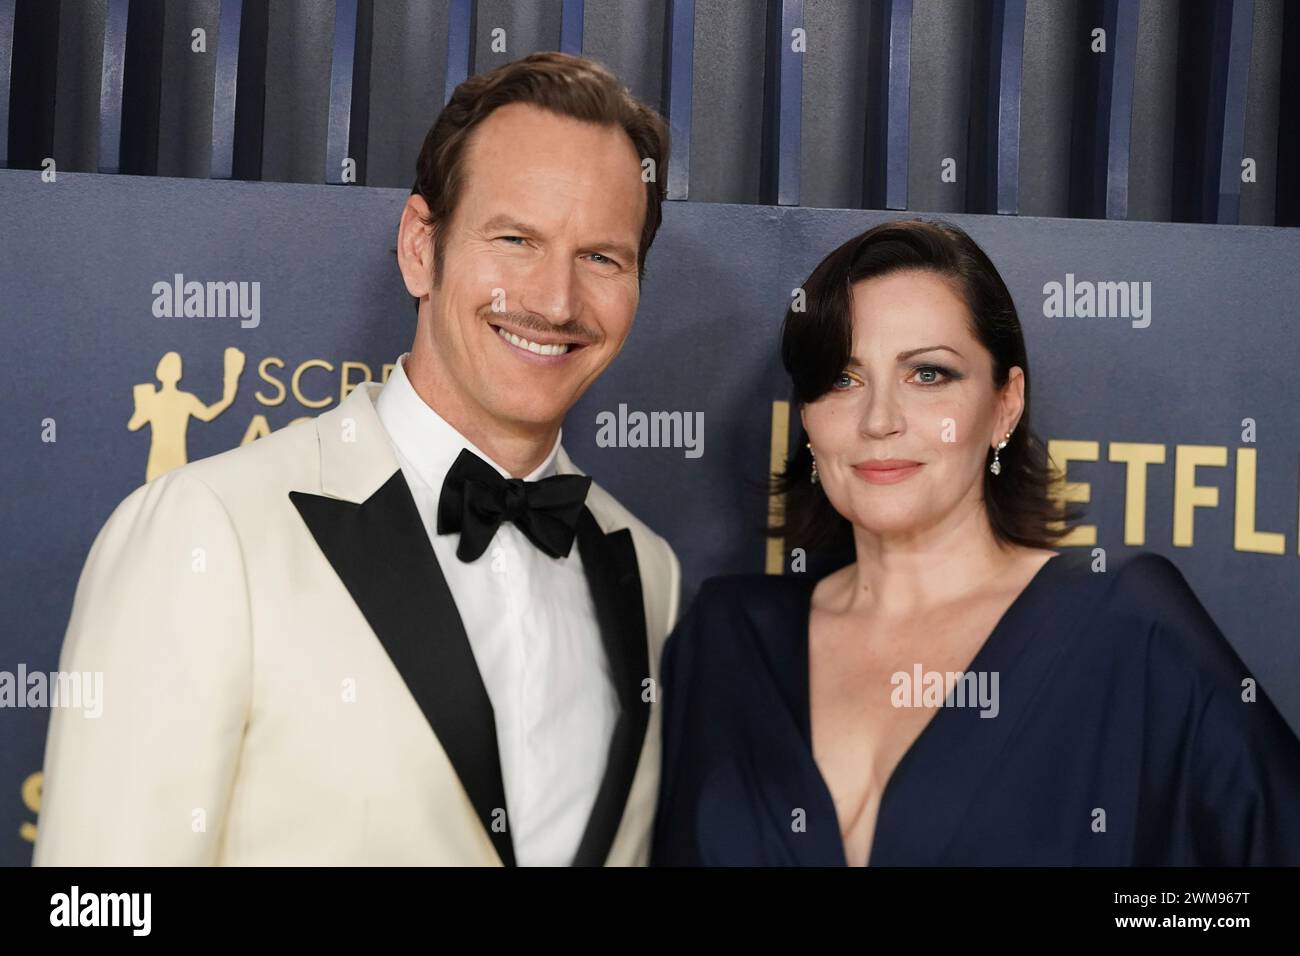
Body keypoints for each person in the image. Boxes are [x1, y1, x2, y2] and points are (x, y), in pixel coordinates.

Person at [35, 52, 681, 867]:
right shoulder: (209, 533)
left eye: (602, 257)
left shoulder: (648, 574)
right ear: (421, 246)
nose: (555, 301)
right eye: (516, 238)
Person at [651, 218, 1300, 866]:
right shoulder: (729, 636)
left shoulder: (1127, 629)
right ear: (808, 417)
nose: (879, 420)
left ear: (1004, 405)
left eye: (928, 375)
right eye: (843, 379)